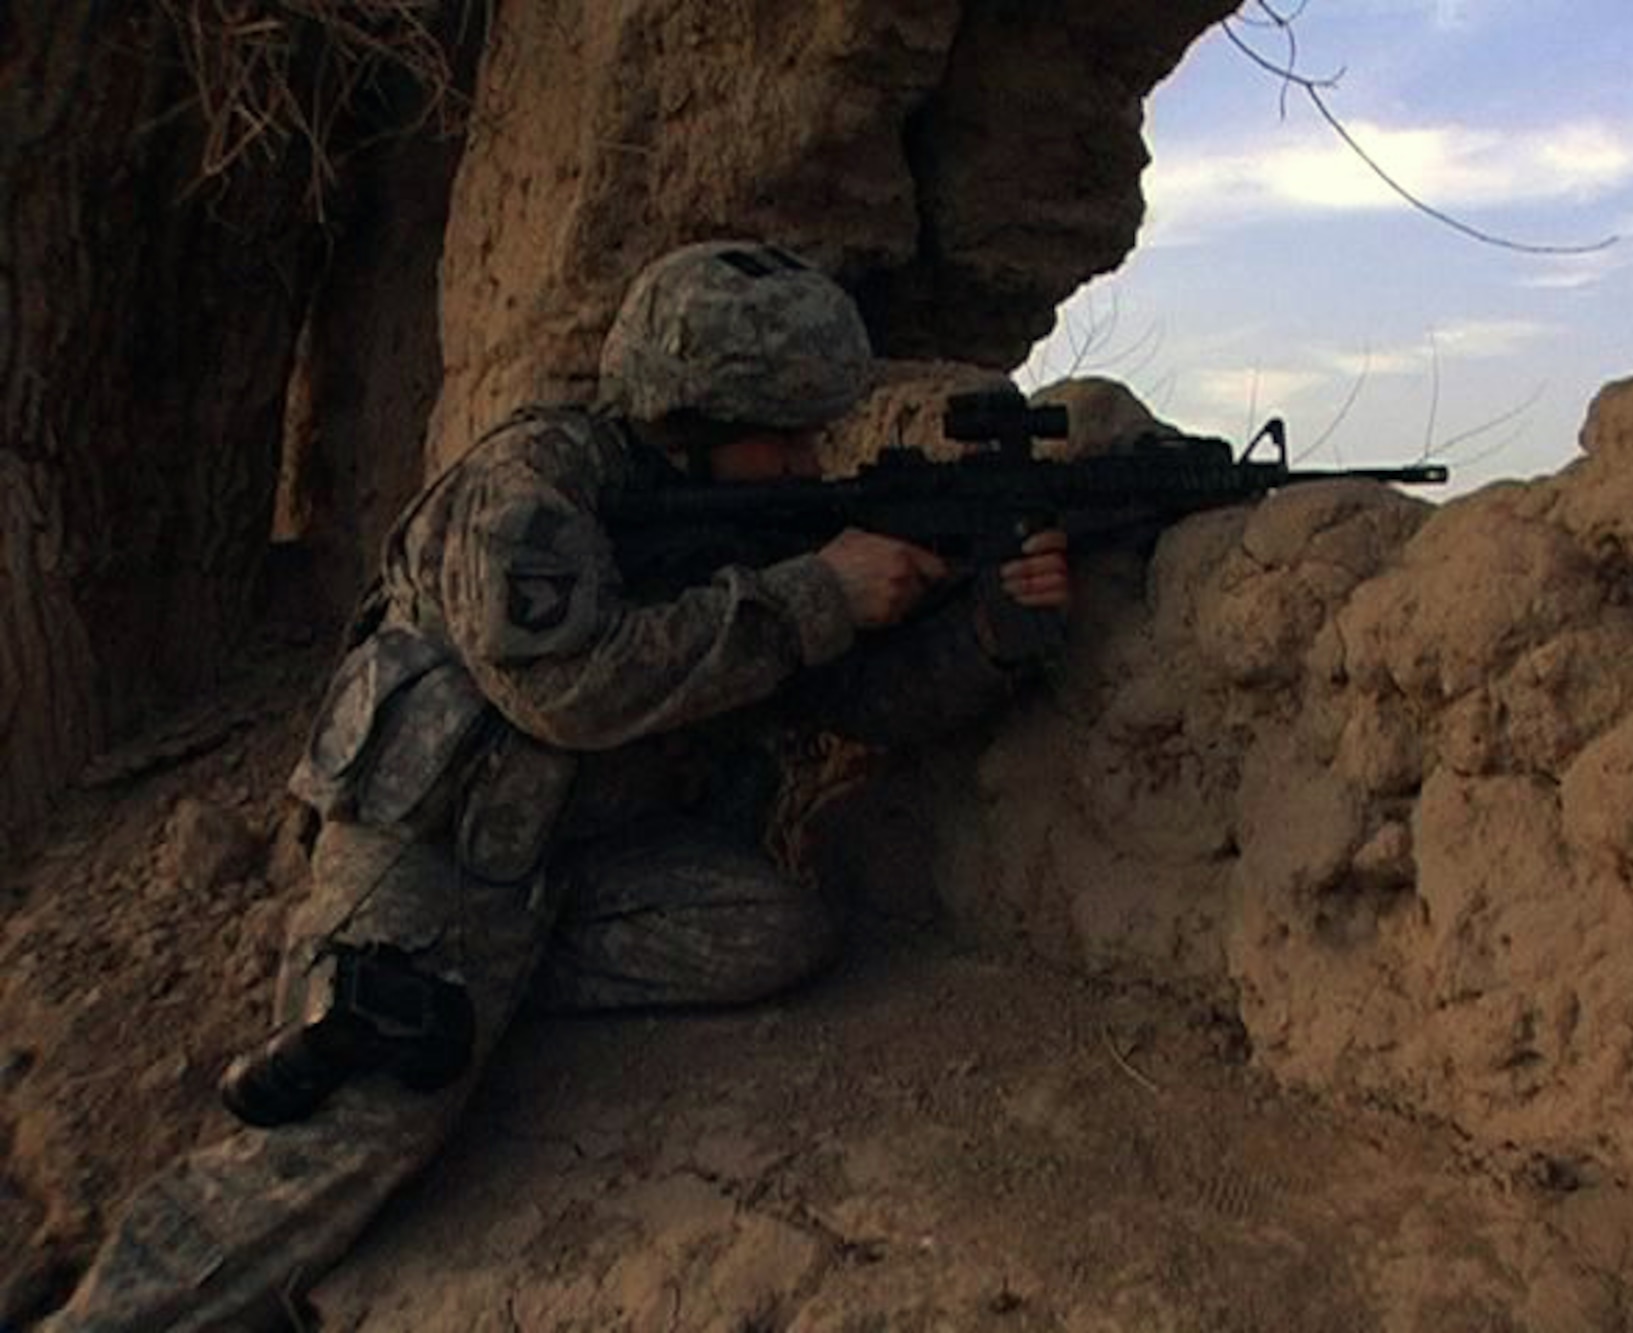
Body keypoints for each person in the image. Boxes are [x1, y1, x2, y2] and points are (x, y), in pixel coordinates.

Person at [46, 240, 1069, 1331]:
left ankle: (493, 982)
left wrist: (992, 635)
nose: (809, 464)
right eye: (785, 438)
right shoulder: (527, 491)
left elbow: (850, 701)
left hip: (572, 867)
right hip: (437, 857)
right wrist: (816, 594)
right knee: (361, 1136)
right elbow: (571, 690)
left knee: (773, 930)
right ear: (698, 418)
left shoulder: (743, 518)